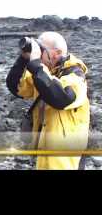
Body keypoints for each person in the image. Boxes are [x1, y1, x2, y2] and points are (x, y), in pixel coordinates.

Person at [6, 32, 90, 170]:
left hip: (66, 160)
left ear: (56, 53)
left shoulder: (76, 74)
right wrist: (24, 59)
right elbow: (16, 87)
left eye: (41, 50)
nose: (38, 54)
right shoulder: (47, 73)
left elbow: (61, 98)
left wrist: (37, 66)